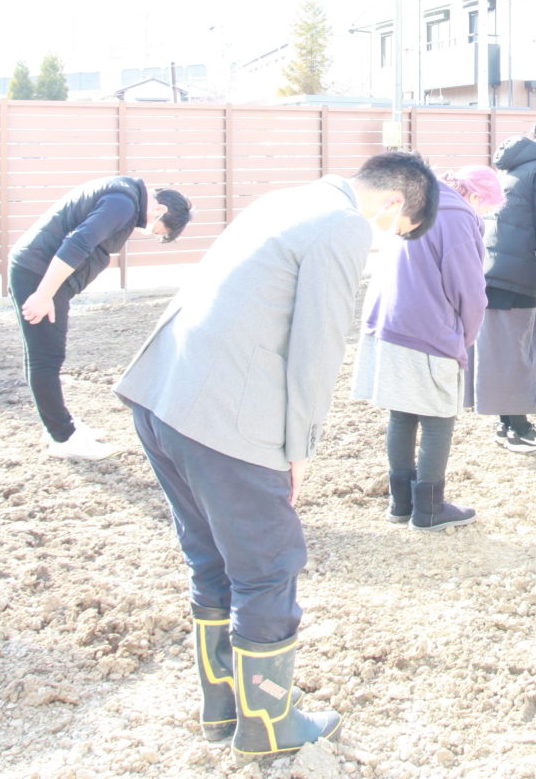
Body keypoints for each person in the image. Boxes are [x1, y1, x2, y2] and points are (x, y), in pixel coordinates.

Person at [115, 150, 438, 760]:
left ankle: (224, 710)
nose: (385, 243)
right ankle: (266, 725)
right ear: (393, 203)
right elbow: (318, 348)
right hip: (225, 414)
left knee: (212, 558)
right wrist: (301, 449)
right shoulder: (342, 224)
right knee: (269, 567)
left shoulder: (286, 198)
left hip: (163, 394)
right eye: (397, 233)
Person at [355, 165, 496, 531]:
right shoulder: (458, 216)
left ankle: (401, 502)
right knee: (438, 420)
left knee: (401, 414)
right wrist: (463, 337)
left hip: (388, 322)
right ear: (475, 197)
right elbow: (470, 290)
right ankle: (430, 509)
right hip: (429, 329)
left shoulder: (417, 200)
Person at [9, 176, 191, 460]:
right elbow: (78, 243)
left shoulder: (122, 195)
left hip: (38, 272)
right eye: (157, 230)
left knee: (43, 355)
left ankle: (56, 424)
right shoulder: (123, 204)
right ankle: (63, 437)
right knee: (46, 357)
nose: (148, 232)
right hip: (39, 275)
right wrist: (44, 293)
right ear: (159, 211)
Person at [471, 122, 536, 454]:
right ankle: (520, 429)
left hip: (493, 268)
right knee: (517, 353)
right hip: (517, 271)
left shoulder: (516, 166)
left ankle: (507, 424)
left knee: (502, 352)